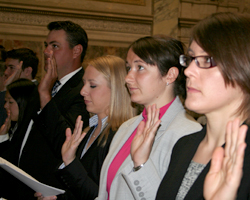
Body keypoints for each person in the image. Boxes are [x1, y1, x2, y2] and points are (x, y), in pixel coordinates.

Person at [89, 35, 201, 200]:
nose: (127, 78)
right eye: (129, 68)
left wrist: (141, 165)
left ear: (170, 75)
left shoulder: (188, 134)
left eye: (140, 67)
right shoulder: (128, 126)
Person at [156, 12, 250, 200]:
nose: (189, 71)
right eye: (191, 59)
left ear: (243, 67)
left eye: (206, 60)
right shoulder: (184, 145)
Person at [0, 21, 89, 199]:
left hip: (48, 193)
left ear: (76, 51)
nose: (47, 52)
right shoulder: (46, 85)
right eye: (46, 46)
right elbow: (23, 139)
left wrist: (45, 96)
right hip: (18, 189)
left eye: (55, 46)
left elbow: (65, 142)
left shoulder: (84, 90)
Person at [35, 55, 136, 200]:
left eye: (92, 85)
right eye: (84, 84)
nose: (82, 91)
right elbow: (79, 189)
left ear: (116, 89)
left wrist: (70, 162)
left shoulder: (121, 136)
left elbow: (102, 196)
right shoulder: (89, 130)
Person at [0, 79, 38, 155]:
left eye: (10, 102)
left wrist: (3, 137)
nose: (5, 106)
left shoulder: (33, 131)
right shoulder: (14, 125)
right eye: (5, 101)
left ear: (24, 102)